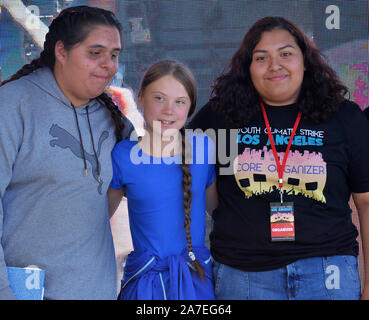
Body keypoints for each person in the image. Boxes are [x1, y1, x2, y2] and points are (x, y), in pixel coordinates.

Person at [188, 16, 369, 300]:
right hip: (243, 274)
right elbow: (180, 176)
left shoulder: (344, 117)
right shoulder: (219, 117)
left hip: (326, 272)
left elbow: (366, 203)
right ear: (247, 68)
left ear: (305, 61)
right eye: (261, 57)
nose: (275, 65)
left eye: (286, 54)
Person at [0, 6, 134, 299]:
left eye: (114, 54)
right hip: (24, 292)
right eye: (95, 53)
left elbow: (152, 180)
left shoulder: (114, 120)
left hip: (98, 291)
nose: (108, 65)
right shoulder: (13, 104)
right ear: (61, 52)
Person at [108, 60, 217, 300]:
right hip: (145, 283)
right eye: (159, 98)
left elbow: (219, 211)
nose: (169, 110)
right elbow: (98, 220)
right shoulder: (123, 155)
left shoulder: (204, 149)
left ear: (189, 108)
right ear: (140, 98)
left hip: (195, 279)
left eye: (180, 102)